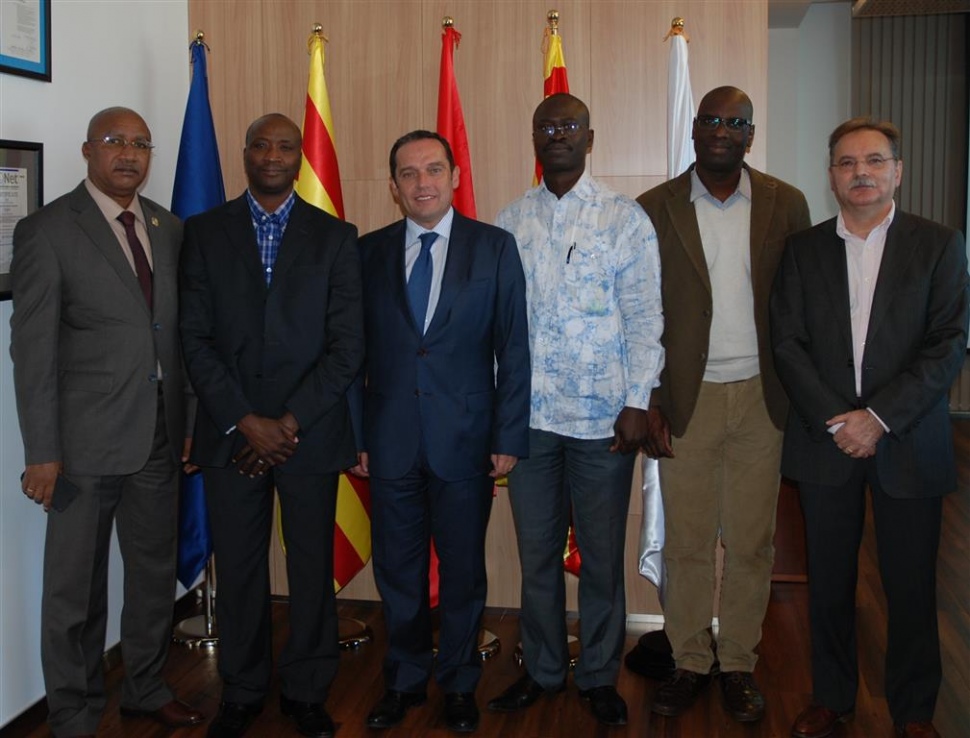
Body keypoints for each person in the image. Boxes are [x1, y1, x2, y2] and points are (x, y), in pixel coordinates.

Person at [771, 118, 968, 738]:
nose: (862, 172)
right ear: (831, 175)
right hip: (825, 441)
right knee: (828, 582)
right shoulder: (802, 250)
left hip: (908, 440)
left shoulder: (938, 244)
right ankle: (831, 698)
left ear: (897, 172)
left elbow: (948, 343)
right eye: (848, 162)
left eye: (875, 161)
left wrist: (878, 419)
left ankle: (913, 712)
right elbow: (788, 343)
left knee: (910, 586)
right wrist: (842, 421)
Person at [10, 106, 203, 737]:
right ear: (88, 150)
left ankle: (146, 687)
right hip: (81, 446)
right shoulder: (47, 230)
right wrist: (42, 450)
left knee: (151, 577)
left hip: (159, 436)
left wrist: (192, 421)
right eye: (115, 141)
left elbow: (181, 339)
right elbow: (32, 348)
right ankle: (73, 711)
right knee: (75, 591)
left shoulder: (168, 228)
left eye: (140, 143)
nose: (129, 153)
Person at [179, 113, 364, 738]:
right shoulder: (202, 234)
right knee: (238, 569)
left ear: (300, 156)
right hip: (231, 432)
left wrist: (284, 423)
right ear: (245, 152)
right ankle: (244, 687)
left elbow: (346, 347)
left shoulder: (336, 237)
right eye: (261, 143)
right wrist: (245, 421)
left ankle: (309, 691)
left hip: (306, 432)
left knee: (312, 567)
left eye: (286, 145)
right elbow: (195, 339)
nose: (273, 154)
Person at [487, 93, 664, 727]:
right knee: (535, 557)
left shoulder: (624, 219)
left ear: (591, 138)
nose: (556, 134)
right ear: (533, 139)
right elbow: (496, 329)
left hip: (603, 426)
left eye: (569, 126)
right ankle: (539, 671)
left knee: (599, 558)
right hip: (530, 425)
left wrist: (638, 401)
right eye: (545, 126)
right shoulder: (508, 223)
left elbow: (646, 317)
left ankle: (596, 676)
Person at [636, 86, 811, 722]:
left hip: (763, 399)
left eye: (735, 122)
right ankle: (688, 659)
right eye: (711, 119)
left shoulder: (785, 203)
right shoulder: (654, 207)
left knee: (751, 542)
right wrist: (650, 396)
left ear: (750, 135)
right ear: (694, 129)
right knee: (684, 541)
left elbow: (799, 302)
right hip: (686, 399)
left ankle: (736, 661)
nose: (721, 130)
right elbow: (641, 310)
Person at [350, 130, 530, 734]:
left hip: (468, 441)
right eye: (408, 173)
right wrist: (358, 435)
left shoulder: (495, 248)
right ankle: (402, 680)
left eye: (433, 169)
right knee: (397, 572)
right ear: (394, 187)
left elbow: (513, 346)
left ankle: (458, 683)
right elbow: (352, 355)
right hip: (391, 439)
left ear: (454, 176)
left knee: (462, 573)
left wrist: (508, 435)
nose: (422, 181)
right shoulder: (368, 252)